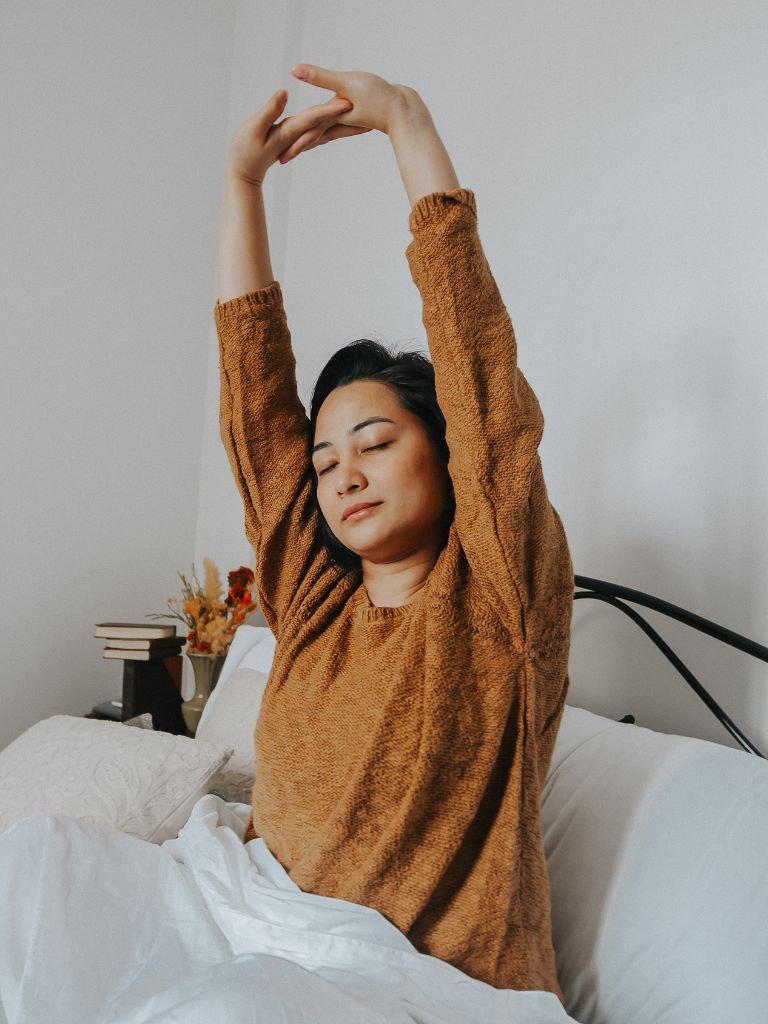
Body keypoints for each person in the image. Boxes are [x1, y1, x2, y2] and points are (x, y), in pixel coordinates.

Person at [214, 64, 574, 1001]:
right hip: (249, 929)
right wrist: (242, 187)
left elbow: (482, 383)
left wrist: (407, 123)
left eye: (374, 443)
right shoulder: (313, 597)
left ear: (445, 453)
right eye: (327, 462)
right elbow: (256, 409)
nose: (345, 476)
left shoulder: (494, 600)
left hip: (411, 989)